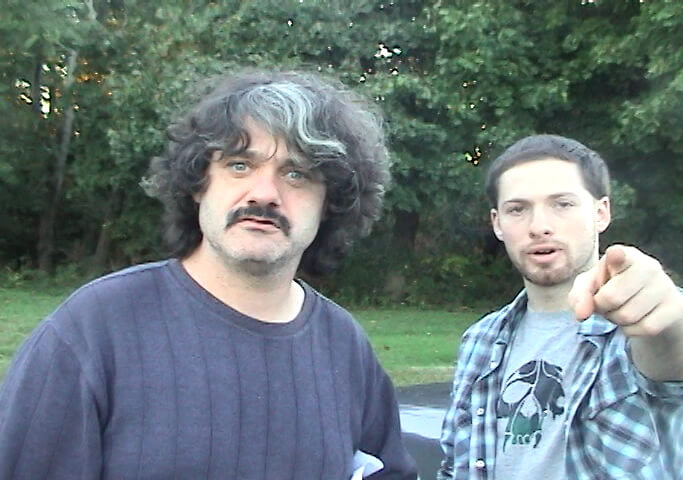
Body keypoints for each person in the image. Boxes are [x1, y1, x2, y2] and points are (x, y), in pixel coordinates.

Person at [0, 70, 417, 479]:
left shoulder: (345, 348)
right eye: (240, 165)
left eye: (296, 174)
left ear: (330, 203)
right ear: (199, 183)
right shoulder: (93, 331)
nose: (264, 193)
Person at [437, 134, 683, 479]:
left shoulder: (639, 320)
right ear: (497, 223)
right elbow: (454, 465)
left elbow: (679, 362)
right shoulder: (478, 340)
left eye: (562, 204)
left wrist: (669, 320)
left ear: (601, 213)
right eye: (517, 209)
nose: (539, 227)